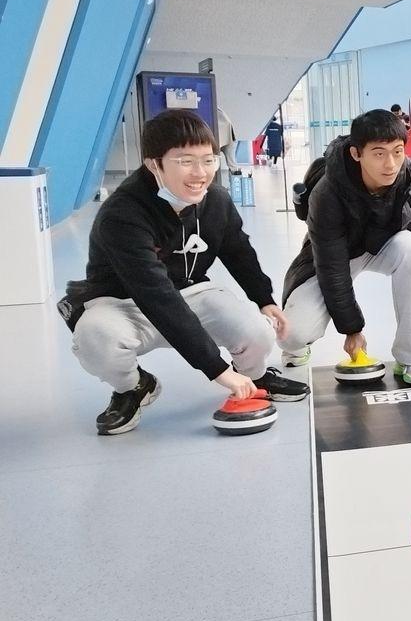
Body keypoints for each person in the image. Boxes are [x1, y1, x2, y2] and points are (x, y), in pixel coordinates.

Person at [65, 110, 309, 435]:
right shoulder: (122, 215)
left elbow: (238, 251)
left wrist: (264, 299)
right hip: (124, 303)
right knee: (95, 337)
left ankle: (253, 377)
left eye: (208, 160)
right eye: (185, 161)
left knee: (258, 331)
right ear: (154, 164)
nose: (200, 173)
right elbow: (157, 295)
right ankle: (133, 387)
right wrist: (217, 370)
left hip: (191, 291)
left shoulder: (216, 200)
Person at [278, 109, 411, 385]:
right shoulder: (326, 195)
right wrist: (352, 329)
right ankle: (296, 349)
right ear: (356, 154)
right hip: (339, 253)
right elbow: (332, 269)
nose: (390, 164)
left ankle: (409, 356)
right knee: (292, 333)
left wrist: (399, 228)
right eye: (379, 153)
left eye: (397, 152)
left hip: (383, 243)